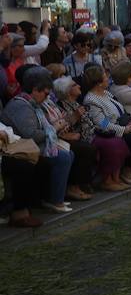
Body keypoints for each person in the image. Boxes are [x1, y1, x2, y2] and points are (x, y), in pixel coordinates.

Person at [1, 67, 75, 214]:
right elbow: (30, 134)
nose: (47, 97)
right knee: (63, 157)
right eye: (45, 93)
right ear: (35, 89)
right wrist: (54, 128)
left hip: (31, 144)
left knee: (68, 153)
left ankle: (52, 196)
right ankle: (54, 200)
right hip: (21, 148)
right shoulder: (21, 105)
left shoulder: (32, 104)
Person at [55, 75, 130, 192]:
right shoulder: (89, 99)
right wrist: (121, 129)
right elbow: (100, 121)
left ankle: (116, 178)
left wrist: (121, 127)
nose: (109, 80)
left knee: (120, 141)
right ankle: (106, 180)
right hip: (88, 135)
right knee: (113, 144)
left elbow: (101, 119)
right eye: (74, 85)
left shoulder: (105, 94)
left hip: (99, 130)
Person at [0, 125, 42, 227]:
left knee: (32, 162)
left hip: (5, 151)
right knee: (22, 167)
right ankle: (19, 212)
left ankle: (26, 207)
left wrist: (4, 135)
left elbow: (8, 130)